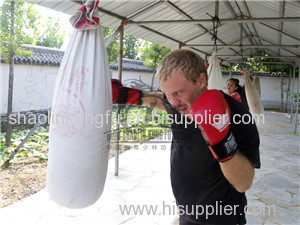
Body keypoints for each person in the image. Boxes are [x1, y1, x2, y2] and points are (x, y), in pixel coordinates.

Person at [112, 49, 260, 225]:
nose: (173, 102)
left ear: (201, 81)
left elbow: (244, 183)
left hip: (222, 217)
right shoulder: (176, 103)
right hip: (186, 212)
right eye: (168, 93)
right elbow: (161, 101)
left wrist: (221, 140)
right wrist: (127, 95)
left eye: (178, 92)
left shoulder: (237, 115)